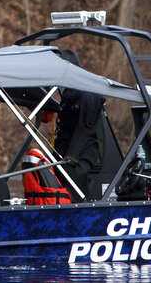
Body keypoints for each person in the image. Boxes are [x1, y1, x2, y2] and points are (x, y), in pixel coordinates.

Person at [52, 49, 106, 201]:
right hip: (66, 153)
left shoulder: (88, 94)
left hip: (83, 155)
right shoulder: (68, 95)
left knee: (72, 176)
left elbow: (85, 131)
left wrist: (69, 158)